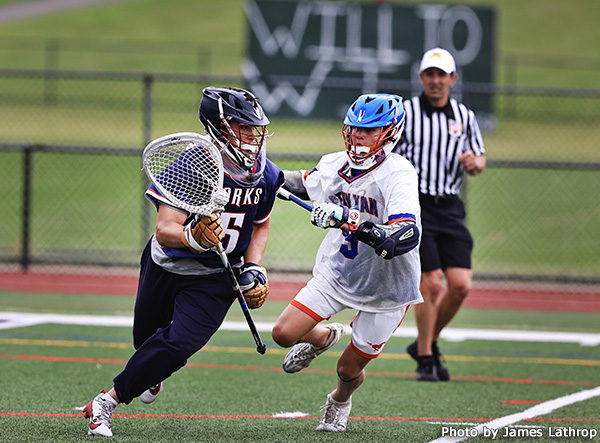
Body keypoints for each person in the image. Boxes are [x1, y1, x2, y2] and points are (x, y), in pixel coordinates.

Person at [83, 87, 284, 437]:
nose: (253, 136)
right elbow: (165, 230)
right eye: (244, 127)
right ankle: (150, 372)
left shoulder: (265, 173)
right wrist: (194, 237)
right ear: (220, 127)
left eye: (256, 128)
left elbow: (260, 224)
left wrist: (254, 266)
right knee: (146, 343)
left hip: (217, 276)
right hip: (167, 263)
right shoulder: (193, 164)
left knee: (177, 346)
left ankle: (106, 402)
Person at [272, 93, 423, 432]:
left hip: (388, 287)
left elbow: (403, 236)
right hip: (340, 272)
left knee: (348, 369)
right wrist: (261, 174)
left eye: (368, 131)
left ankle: (339, 400)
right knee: (283, 333)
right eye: (354, 129)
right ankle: (323, 337)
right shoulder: (333, 164)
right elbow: (300, 182)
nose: (358, 137)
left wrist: (349, 218)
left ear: (389, 133)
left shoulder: (398, 172)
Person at [393, 48, 486, 382]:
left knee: (460, 285)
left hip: (450, 207)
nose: (435, 80)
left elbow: (479, 157)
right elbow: (386, 154)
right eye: (430, 74)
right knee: (431, 283)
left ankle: (426, 342)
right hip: (417, 206)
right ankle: (426, 359)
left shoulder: (464, 116)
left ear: (452, 79)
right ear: (421, 77)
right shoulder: (405, 113)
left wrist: (475, 163)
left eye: (441, 74)